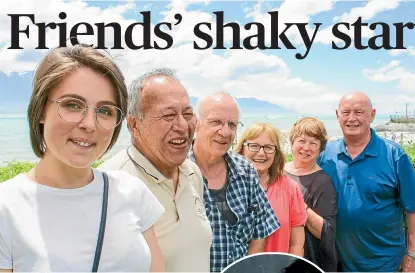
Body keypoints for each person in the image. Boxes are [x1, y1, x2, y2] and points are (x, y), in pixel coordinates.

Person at [0, 45, 165, 272]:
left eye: (105, 110)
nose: (89, 123)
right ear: (40, 111)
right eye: (72, 105)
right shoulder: (7, 206)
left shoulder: (132, 193)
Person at [98, 68, 212, 272]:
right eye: (168, 115)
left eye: (187, 114)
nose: (182, 126)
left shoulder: (191, 172)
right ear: (134, 125)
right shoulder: (111, 184)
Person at [318, 92, 415, 272]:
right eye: (346, 112)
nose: (352, 118)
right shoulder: (325, 155)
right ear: (337, 115)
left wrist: (414, 254)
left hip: (385, 264)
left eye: (359, 112)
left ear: (372, 115)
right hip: (336, 264)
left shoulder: (394, 155)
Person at [188, 92, 280, 272]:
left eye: (232, 124)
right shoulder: (177, 171)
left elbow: (259, 233)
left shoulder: (246, 170)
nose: (225, 132)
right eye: (216, 122)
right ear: (196, 122)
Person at [234, 123, 306, 256]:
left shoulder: (290, 188)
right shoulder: (230, 185)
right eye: (254, 146)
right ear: (242, 149)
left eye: (268, 148)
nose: (261, 153)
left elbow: (297, 244)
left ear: (276, 153)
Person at [284, 117, 338, 272]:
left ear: (320, 149)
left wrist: (299, 205)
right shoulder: (279, 171)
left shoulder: (323, 181)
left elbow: (327, 232)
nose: (306, 148)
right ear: (292, 142)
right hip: (278, 253)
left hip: (307, 260)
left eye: (313, 143)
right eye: (302, 141)